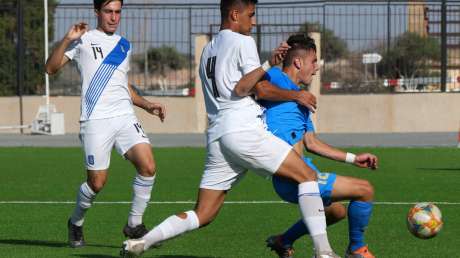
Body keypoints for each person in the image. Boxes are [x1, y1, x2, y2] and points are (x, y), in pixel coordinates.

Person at [121, 1, 340, 257]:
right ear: (235, 14)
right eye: (251, 15)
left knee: (203, 213)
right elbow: (243, 88)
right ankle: (323, 252)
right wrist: (269, 64)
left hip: (218, 136)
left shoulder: (209, 50)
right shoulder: (242, 41)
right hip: (243, 129)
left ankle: (141, 243)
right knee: (308, 176)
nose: (254, 21)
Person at [45, 0, 165, 248]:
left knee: (148, 166)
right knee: (97, 183)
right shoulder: (83, 39)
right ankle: (76, 223)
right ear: (97, 12)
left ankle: (134, 224)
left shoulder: (124, 45)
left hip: (124, 116)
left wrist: (146, 105)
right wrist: (67, 39)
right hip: (95, 120)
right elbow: (50, 68)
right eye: (108, 11)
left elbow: (122, 83)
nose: (113, 17)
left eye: (117, 12)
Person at [254, 34, 377, 258]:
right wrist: (297, 95)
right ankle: (356, 249)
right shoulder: (276, 77)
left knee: (336, 212)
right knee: (365, 190)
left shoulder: (303, 102)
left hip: (306, 169)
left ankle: (283, 240)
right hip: (290, 175)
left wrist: (353, 158)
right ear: (298, 62)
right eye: (313, 62)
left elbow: (311, 143)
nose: (317, 68)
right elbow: (260, 90)